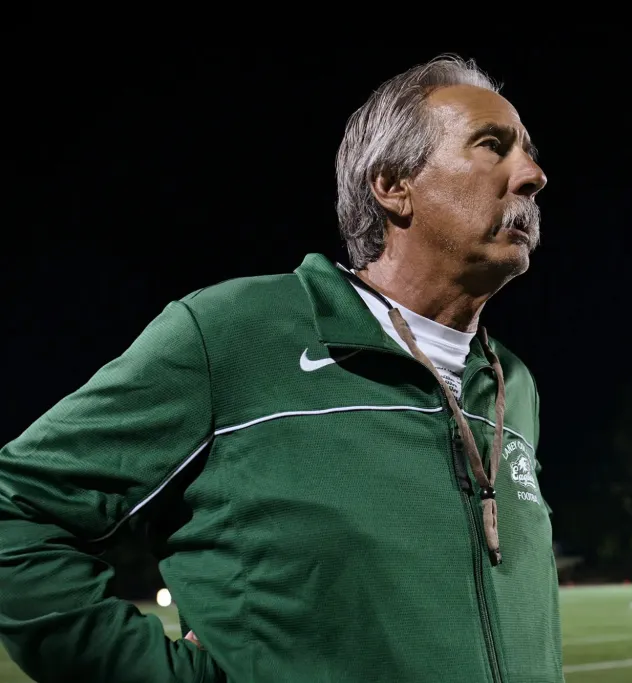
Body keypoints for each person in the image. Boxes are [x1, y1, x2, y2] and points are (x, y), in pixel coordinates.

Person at [0, 55, 563, 682]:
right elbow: (14, 509)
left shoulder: (510, 381)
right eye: (494, 146)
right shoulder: (233, 334)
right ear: (393, 185)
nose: (534, 175)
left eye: (530, 152)